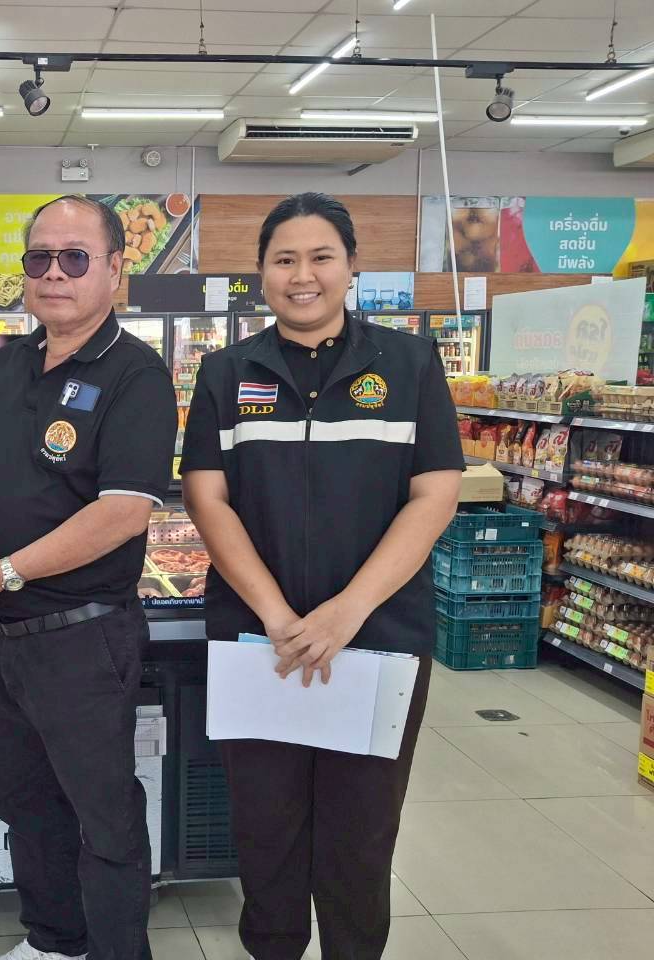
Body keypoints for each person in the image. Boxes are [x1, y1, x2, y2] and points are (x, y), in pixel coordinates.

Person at [180, 192, 464, 960]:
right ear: (261, 272)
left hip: (378, 638)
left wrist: (348, 610)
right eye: (284, 259)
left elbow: (435, 494)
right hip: (257, 640)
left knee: (361, 831)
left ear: (351, 266)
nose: (302, 275)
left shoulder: (409, 363)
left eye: (320, 257)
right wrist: (276, 615)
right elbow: (206, 498)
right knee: (264, 827)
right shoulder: (226, 372)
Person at [0, 196, 178, 960]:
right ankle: (54, 941)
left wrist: (0, 574)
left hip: (82, 640)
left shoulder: (137, 375)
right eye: (40, 258)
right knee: (23, 802)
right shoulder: (5, 366)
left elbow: (122, 513)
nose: (54, 273)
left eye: (75, 257)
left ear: (115, 269)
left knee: (103, 817)